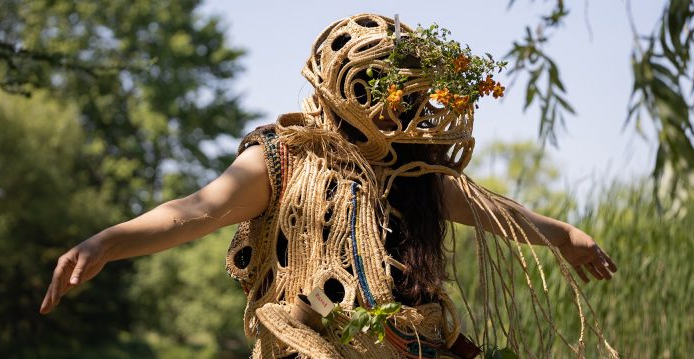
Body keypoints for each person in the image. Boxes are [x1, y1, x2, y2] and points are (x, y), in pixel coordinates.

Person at [41, 13, 617, 358]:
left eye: (405, 96)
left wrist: (562, 234)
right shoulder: (283, 157)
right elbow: (198, 210)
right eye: (379, 92)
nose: (398, 108)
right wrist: (107, 243)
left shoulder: (416, 172)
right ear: (345, 92)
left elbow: (490, 208)